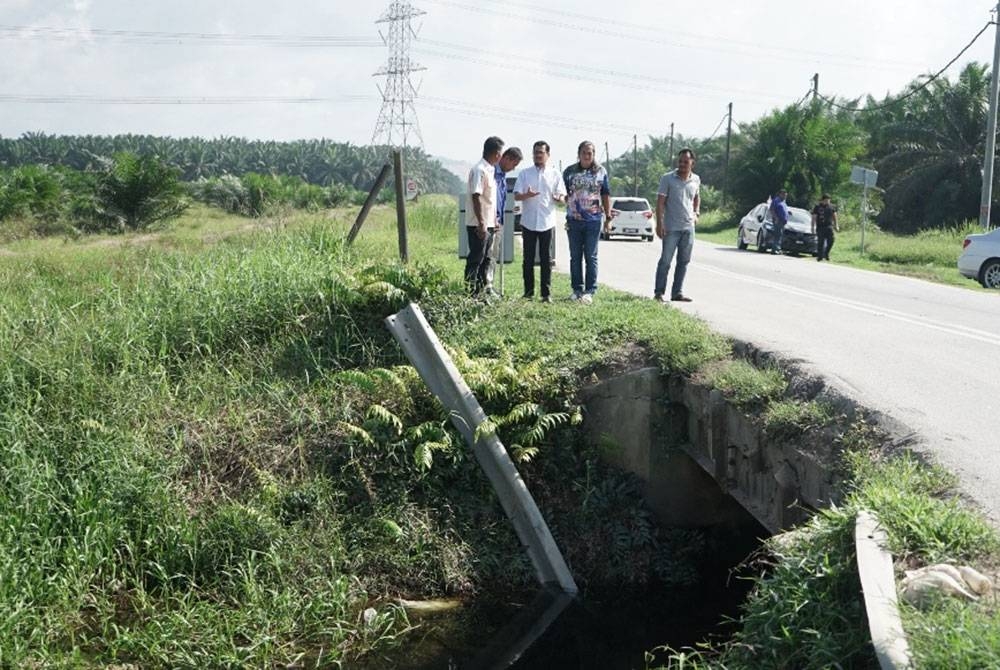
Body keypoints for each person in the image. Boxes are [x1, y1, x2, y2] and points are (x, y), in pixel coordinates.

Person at [514, 140, 566, 303]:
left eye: (541, 153)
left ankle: (546, 294)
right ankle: (528, 292)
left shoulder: (555, 174)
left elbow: (562, 196)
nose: (537, 155)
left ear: (547, 155)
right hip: (528, 221)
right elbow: (516, 195)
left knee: (546, 259)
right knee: (528, 259)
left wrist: (560, 199)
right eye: (535, 152)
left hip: (546, 221)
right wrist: (526, 195)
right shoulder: (524, 173)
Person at [563, 140, 612, 304]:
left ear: (593, 154)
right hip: (574, 220)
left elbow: (606, 195)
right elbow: (562, 192)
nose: (587, 155)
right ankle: (577, 289)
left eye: (590, 153)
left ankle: (590, 291)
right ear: (579, 154)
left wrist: (608, 219)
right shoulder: (569, 171)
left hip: (594, 220)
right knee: (575, 256)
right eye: (584, 152)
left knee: (591, 256)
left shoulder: (601, 171)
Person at [654, 148, 701, 303]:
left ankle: (677, 293)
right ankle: (659, 293)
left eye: (686, 162)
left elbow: (696, 198)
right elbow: (660, 203)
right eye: (680, 161)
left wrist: (696, 213)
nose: (682, 164)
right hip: (671, 227)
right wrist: (659, 224)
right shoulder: (667, 178)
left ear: (692, 163)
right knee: (665, 261)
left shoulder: (696, 180)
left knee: (683, 261)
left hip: (688, 228)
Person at [465, 136, 503, 296]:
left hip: (489, 223)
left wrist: (493, 221)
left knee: (486, 259)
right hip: (478, 224)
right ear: (496, 154)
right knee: (476, 259)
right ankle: (469, 292)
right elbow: (476, 196)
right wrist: (481, 223)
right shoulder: (479, 170)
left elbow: (490, 200)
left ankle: (480, 292)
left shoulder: (490, 169)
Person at [483, 147, 523, 296]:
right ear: (506, 159)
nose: (513, 169)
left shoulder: (503, 176)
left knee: (493, 256)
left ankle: (489, 285)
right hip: (488, 221)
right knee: (485, 256)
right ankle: (482, 286)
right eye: (514, 164)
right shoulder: (491, 173)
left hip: (498, 221)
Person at [811, 193, 839, 261]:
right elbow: (814, 217)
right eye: (826, 200)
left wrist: (836, 225)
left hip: (829, 226)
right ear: (823, 200)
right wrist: (812, 227)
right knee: (820, 242)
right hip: (820, 227)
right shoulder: (817, 207)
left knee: (831, 241)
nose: (827, 202)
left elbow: (835, 216)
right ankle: (820, 256)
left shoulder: (832, 207)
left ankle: (826, 253)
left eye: (829, 200)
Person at [769, 188, 789, 255]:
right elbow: (772, 210)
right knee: (777, 235)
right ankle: (774, 250)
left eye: (786, 196)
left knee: (780, 235)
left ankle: (778, 249)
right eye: (784, 195)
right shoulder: (776, 201)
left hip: (783, 222)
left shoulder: (783, 202)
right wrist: (776, 218)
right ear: (780, 194)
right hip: (778, 221)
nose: (785, 197)